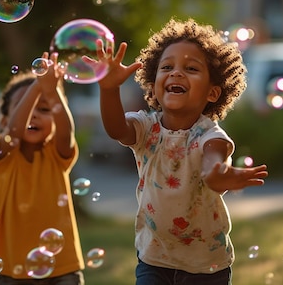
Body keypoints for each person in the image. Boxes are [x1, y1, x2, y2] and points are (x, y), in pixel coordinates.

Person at [89, 17, 269, 284]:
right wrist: (109, 89)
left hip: (206, 265)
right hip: (154, 259)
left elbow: (212, 168)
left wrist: (221, 177)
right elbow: (117, 129)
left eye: (191, 68)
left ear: (212, 92)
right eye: (167, 67)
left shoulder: (211, 136)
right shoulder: (147, 127)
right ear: (153, 82)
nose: (176, 73)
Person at [0, 52, 84, 284]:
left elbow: (66, 130)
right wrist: (38, 86)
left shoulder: (56, 153)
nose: (33, 116)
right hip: (14, 268)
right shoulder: (3, 154)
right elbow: (14, 131)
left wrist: (52, 92)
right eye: (25, 108)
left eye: (44, 109)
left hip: (63, 267)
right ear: (3, 121)